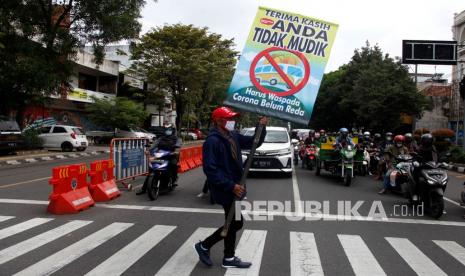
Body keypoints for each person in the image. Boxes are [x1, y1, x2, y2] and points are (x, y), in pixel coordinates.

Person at [194, 106, 267, 269]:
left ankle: (228, 257)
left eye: (233, 118)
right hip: (227, 188)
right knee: (235, 222)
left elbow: (254, 142)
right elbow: (210, 170)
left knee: (233, 221)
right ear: (219, 121)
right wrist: (231, 186)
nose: (233, 121)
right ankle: (206, 246)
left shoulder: (233, 135)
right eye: (229, 119)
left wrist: (261, 127)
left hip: (237, 187)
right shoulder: (212, 141)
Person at [136, 124, 182, 195]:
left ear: (172, 130)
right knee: (151, 170)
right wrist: (148, 150)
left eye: (169, 130)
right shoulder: (160, 138)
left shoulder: (177, 139)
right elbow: (153, 146)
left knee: (173, 164)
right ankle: (144, 188)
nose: (168, 131)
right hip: (160, 156)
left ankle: (173, 180)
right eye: (166, 130)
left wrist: (176, 152)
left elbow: (178, 147)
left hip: (171, 156)